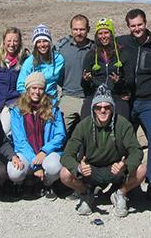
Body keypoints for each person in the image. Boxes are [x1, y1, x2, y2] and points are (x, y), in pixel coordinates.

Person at [59, 87, 146, 217]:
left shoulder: (123, 124)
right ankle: (85, 193)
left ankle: (120, 193)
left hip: (116, 169)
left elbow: (136, 151)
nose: (103, 110)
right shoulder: (83, 125)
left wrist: (126, 166)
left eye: (107, 106)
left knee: (141, 170)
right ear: (93, 109)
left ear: (112, 108)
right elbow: (66, 155)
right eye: (98, 107)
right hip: (90, 170)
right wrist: (79, 168)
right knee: (65, 173)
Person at [118, 8, 151, 190]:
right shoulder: (121, 43)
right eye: (133, 26)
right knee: (121, 138)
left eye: (139, 24)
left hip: (150, 99)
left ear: (145, 23)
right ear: (128, 26)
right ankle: (125, 180)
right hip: (128, 100)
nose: (137, 28)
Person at [7, 72, 66, 198]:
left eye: (40, 88)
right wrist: (36, 165)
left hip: (47, 151)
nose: (37, 92)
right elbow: (19, 141)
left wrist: (44, 151)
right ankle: (22, 183)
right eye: (34, 88)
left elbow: (60, 135)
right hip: (25, 151)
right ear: (27, 89)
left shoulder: (53, 107)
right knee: (14, 172)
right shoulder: (16, 110)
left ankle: (47, 183)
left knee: (54, 167)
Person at [56, 14, 94, 137]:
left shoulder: (95, 48)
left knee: (90, 134)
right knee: (59, 134)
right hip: (68, 96)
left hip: (88, 97)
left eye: (82, 29)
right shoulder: (62, 48)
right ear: (71, 29)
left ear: (88, 29)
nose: (78, 32)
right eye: (75, 29)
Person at [80, 18, 127, 119]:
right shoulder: (91, 55)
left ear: (112, 34)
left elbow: (129, 79)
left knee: (123, 120)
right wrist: (86, 80)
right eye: (100, 33)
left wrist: (119, 82)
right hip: (95, 95)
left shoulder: (122, 54)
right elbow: (84, 85)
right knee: (85, 119)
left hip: (116, 95)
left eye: (106, 32)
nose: (103, 36)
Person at [16, 24, 64, 102]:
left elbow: (62, 80)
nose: (42, 45)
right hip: (34, 100)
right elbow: (20, 86)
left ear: (50, 42)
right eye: (38, 42)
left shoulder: (59, 59)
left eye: (45, 41)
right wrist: (32, 98)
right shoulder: (29, 62)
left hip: (52, 100)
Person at [0, 27, 29, 134]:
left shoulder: (25, 61)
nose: (12, 44)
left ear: (20, 42)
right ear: (4, 41)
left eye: (15, 41)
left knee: (3, 131)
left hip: (13, 103)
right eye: (9, 40)